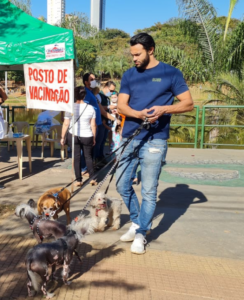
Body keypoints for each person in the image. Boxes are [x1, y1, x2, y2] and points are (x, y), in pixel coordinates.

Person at [116, 33, 194, 254]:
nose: (134, 59)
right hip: (129, 137)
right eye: (132, 54)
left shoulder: (170, 73)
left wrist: (163, 109)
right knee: (122, 185)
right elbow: (122, 106)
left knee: (149, 191)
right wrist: (138, 115)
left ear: (151, 50)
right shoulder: (129, 75)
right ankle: (137, 221)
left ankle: (141, 233)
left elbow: (188, 103)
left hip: (155, 140)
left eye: (138, 54)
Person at [61, 87, 97, 187]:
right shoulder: (90, 108)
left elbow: (66, 124)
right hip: (87, 135)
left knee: (76, 157)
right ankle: (92, 178)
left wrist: (62, 137)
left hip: (74, 135)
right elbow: (93, 125)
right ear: (84, 95)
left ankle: (78, 180)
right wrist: (94, 137)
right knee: (88, 157)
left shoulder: (70, 108)